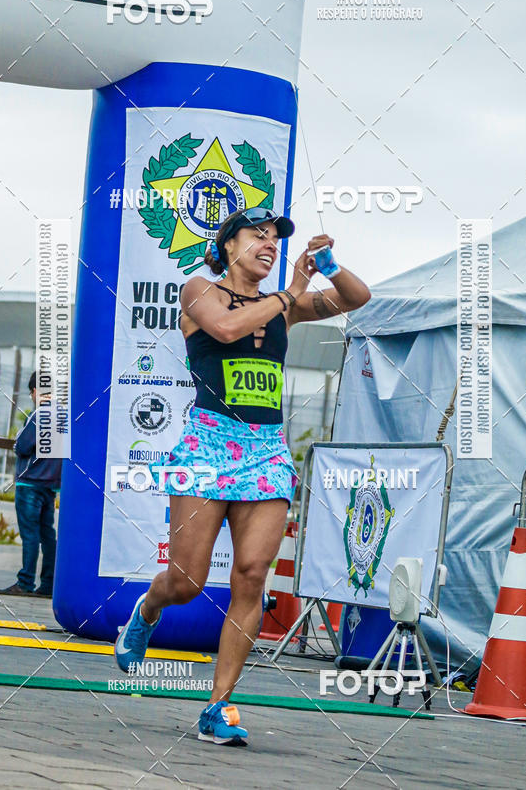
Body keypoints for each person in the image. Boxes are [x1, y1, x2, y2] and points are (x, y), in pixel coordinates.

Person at [114, 207, 371, 745]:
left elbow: (356, 298)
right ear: (228, 245)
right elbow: (228, 327)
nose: (270, 243)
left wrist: (328, 265)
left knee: (252, 575)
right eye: (258, 234)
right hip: (207, 444)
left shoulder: (284, 306)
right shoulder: (198, 291)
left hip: (265, 451)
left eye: (275, 237)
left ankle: (218, 705)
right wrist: (290, 293)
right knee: (185, 581)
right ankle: (148, 608)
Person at [0, 371, 62, 598]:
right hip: (51, 486)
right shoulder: (63, 417)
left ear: (36, 391)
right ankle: (48, 584)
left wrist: (16, 443)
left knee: (30, 534)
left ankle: (24, 582)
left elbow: (22, 447)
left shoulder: (38, 415)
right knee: (48, 535)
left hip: (29, 484)